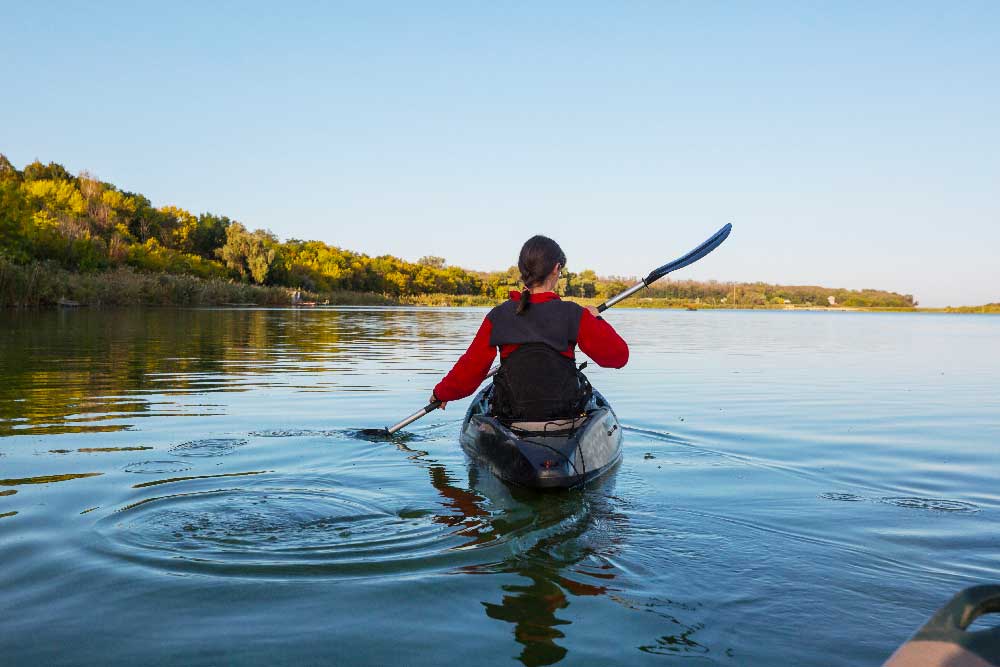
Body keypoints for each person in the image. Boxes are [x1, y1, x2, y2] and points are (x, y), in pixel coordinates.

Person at [430, 235, 628, 422]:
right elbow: (618, 357)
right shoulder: (574, 314)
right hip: (564, 415)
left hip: (512, 415)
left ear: (523, 269)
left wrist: (441, 393)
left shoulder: (498, 316)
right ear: (556, 268)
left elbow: (470, 369)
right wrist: (597, 318)